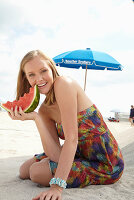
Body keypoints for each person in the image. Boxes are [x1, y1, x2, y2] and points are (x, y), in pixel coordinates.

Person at [8, 50, 124, 200]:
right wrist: (37, 118)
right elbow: (55, 155)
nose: (39, 78)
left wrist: (57, 187)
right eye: (32, 75)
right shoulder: (44, 110)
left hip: (105, 163)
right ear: (26, 78)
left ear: (52, 68)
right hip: (78, 154)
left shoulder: (64, 84)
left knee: (37, 172)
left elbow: (71, 139)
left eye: (43, 70)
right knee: (24, 170)